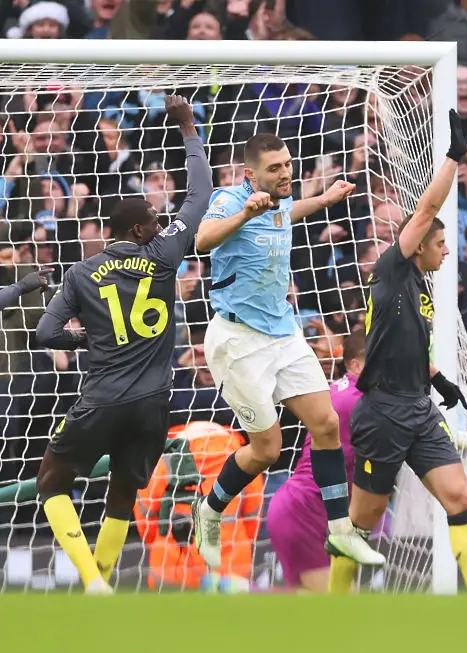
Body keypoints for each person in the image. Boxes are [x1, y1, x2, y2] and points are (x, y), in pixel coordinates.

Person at [32, 96, 212, 595]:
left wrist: (85, 336)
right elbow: (201, 196)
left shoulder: (81, 272)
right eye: (154, 218)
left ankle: (91, 579)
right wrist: (187, 128)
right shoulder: (163, 254)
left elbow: (45, 336)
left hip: (102, 398)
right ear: (138, 230)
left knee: (51, 482)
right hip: (153, 404)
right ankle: (102, 585)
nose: (161, 222)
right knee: (123, 492)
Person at [189, 130, 378, 570]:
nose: (285, 173)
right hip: (238, 341)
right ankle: (210, 508)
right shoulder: (230, 200)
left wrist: (326, 198)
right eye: (274, 169)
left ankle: (340, 530)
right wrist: (245, 214)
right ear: (249, 175)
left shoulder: (278, 200)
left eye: (288, 164)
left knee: (326, 423)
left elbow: (291, 210)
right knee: (267, 449)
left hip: (284, 331)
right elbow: (201, 240)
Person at [337, 110, 467, 596]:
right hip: (384, 411)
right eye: (440, 243)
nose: (447, 251)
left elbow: (409, 344)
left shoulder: (423, 288)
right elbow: (427, 208)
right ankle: (331, 606)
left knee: (458, 496)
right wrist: (455, 157)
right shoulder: (393, 270)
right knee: (362, 520)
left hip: (418, 406)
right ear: (417, 246)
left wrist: (438, 380)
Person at [265, 331, 365, 593]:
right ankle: (237, 592)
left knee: (312, 608)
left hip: (310, 511)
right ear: (356, 365)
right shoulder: (357, 402)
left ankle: (234, 590)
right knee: (340, 606)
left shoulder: (345, 392)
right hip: (304, 512)